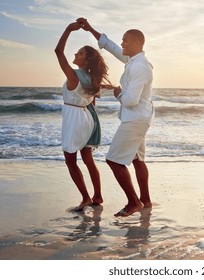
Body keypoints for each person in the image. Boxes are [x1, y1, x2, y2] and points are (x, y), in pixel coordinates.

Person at [77, 17, 154, 217]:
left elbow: (130, 100)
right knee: (138, 160)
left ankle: (133, 202)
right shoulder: (133, 60)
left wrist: (118, 92)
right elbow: (110, 46)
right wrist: (91, 29)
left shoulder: (139, 67)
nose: (122, 44)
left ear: (136, 43)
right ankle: (145, 200)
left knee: (113, 161)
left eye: (125, 40)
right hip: (140, 118)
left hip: (135, 119)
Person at [54, 21, 112, 211]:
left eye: (79, 54)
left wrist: (68, 29)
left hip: (74, 118)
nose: (75, 55)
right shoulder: (91, 78)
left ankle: (86, 198)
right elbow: (92, 102)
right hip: (88, 118)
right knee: (87, 159)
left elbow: (58, 52)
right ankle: (97, 196)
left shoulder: (74, 76)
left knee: (71, 161)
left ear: (85, 61)